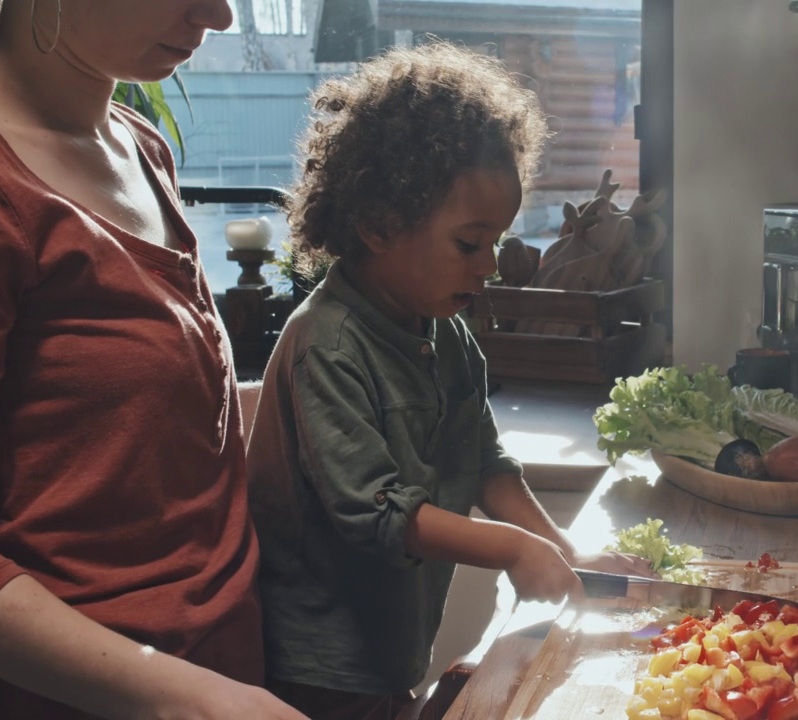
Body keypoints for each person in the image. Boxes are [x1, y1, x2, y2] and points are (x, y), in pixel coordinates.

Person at [244, 42, 654, 720]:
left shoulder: (443, 328)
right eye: (470, 243)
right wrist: (515, 550)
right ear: (378, 224)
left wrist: (568, 554)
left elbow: (486, 465)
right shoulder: (328, 343)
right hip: (316, 669)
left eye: (496, 241)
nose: (490, 265)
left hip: (390, 649)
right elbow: (375, 512)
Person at [0, 1, 306, 718]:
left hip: (227, 667)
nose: (220, 16)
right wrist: (175, 694)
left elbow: (141, 421)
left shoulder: (140, 144)